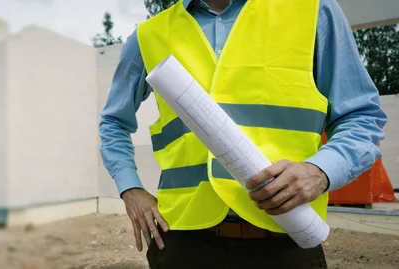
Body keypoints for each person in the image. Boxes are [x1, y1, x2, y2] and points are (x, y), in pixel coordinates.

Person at [98, 0, 388, 268]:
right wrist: (130, 189)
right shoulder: (150, 35)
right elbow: (114, 122)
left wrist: (320, 171)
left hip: (286, 237)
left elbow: (361, 116)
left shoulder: (312, 10)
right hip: (181, 241)